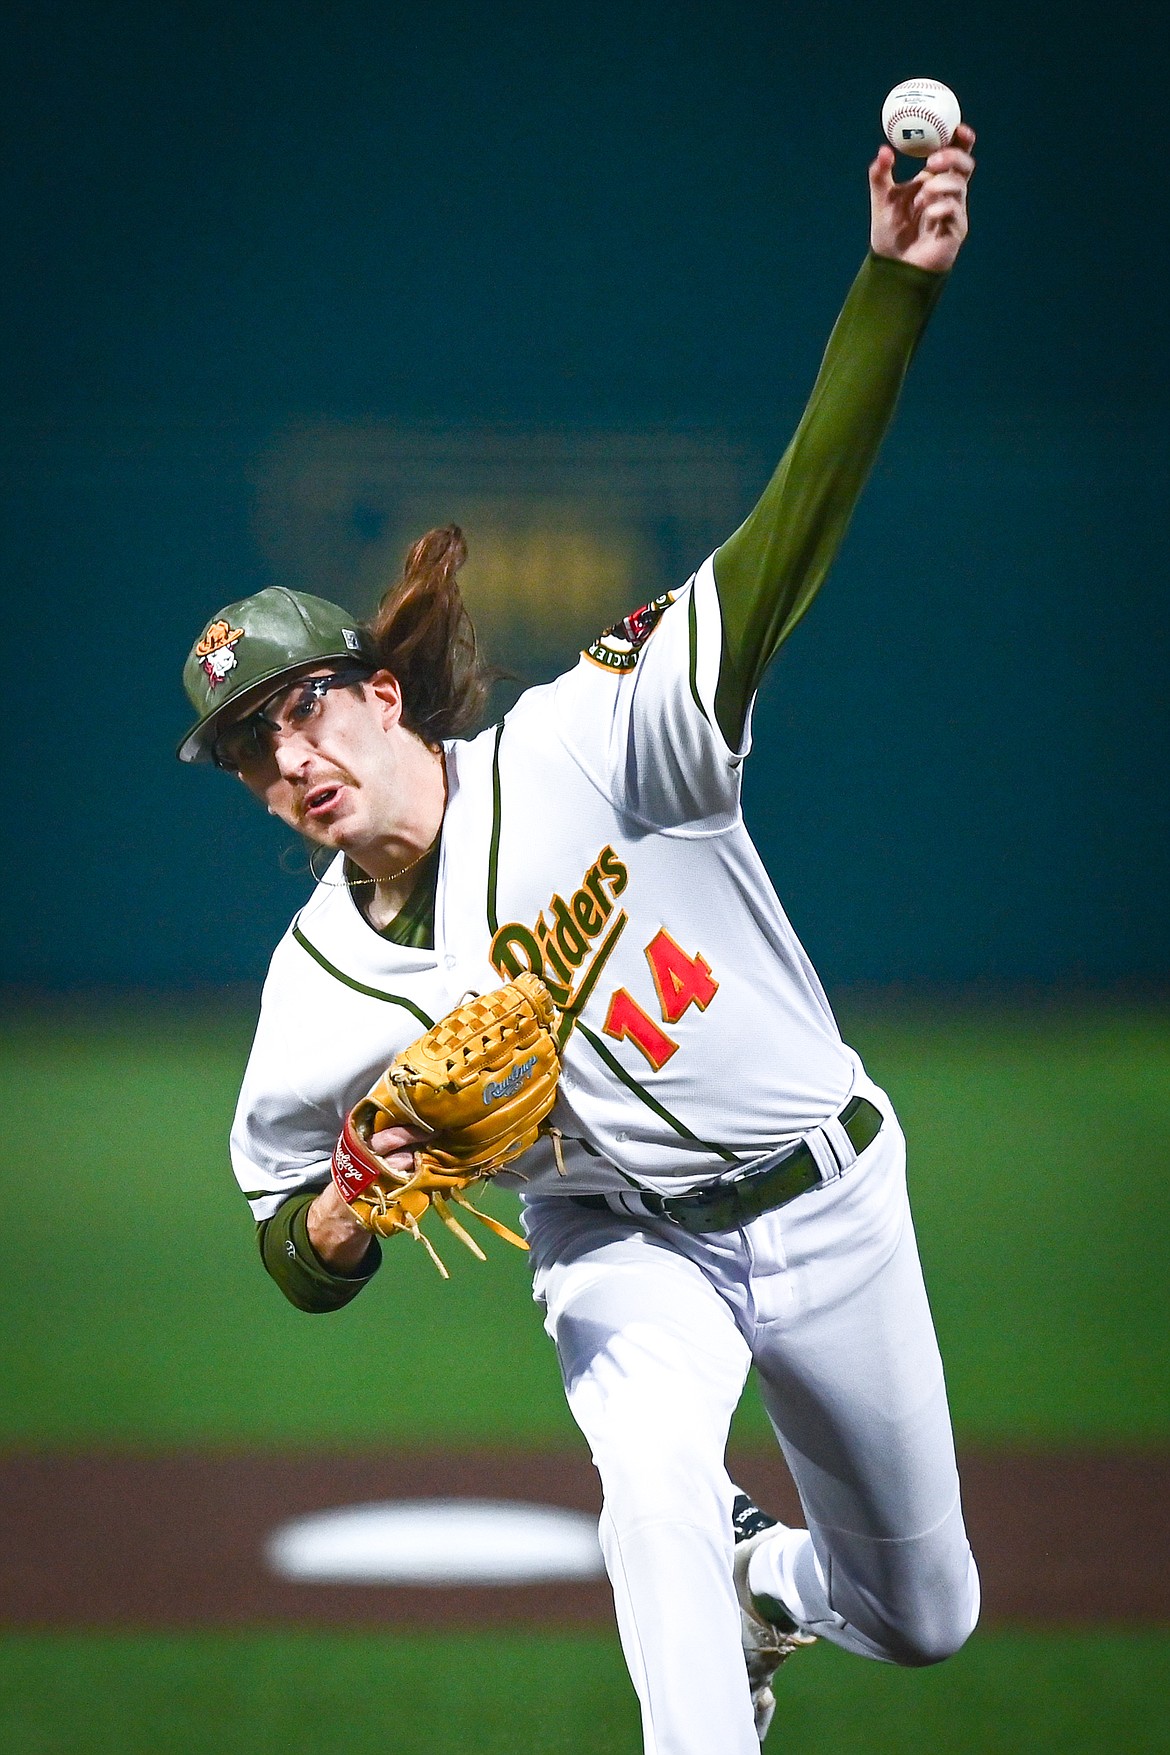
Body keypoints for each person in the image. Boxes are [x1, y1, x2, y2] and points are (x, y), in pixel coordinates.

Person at [179, 127, 979, 1753]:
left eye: (304, 710)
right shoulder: (314, 986)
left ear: (378, 692)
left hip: (827, 1192)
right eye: (255, 755)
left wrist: (893, 287)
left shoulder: (590, 743)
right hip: (622, 1246)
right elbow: (285, 1233)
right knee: (651, 1498)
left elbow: (776, 550)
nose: (294, 761)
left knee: (925, 1615)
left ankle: (784, 1594)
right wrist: (339, 1217)